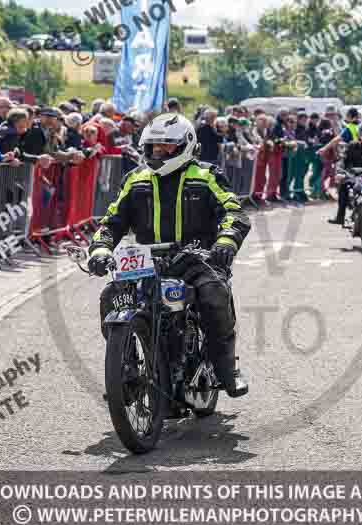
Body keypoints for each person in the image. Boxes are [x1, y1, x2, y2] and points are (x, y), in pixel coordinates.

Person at [87, 113, 251, 400]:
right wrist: (100, 248)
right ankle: (125, 370)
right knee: (110, 296)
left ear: (185, 145)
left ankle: (226, 369)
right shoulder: (135, 179)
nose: (158, 152)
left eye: (166, 147)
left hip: (197, 258)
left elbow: (233, 211)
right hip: (145, 262)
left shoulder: (206, 175)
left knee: (214, 295)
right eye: (153, 147)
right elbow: (111, 221)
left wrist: (226, 241)